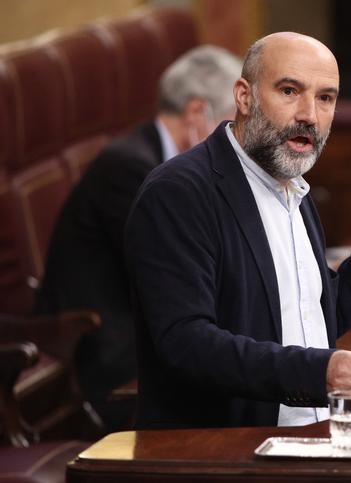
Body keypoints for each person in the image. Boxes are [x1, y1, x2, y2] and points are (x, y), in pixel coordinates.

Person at [125, 32, 351, 430]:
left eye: (326, 98)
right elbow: (186, 343)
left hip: (311, 436)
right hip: (220, 454)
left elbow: (310, 318)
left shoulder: (293, 186)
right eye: (290, 90)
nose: (310, 113)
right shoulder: (179, 192)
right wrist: (318, 372)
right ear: (244, 96)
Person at [35, 45, 243, 430]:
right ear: (198, 113)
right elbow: (178, 271)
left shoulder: (158, 163)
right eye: (234, 122)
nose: (239, 140)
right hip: (105, 351)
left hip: (147, 330)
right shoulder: (129, 168)